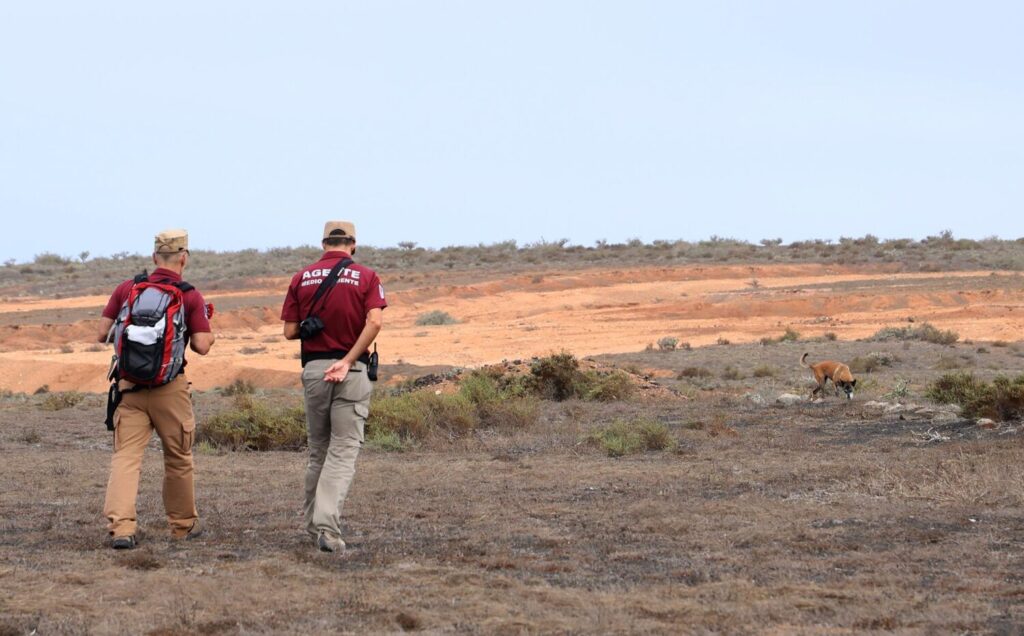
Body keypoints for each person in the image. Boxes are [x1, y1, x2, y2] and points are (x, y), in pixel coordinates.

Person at [96, 229, 215, 549]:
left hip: (129, 387)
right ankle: (182, 526)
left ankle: (121, 528)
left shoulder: (127, 288)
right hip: (170, 390)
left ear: (153, 258)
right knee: (178, 457)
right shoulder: (189, 294)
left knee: (126, 458)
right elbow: (202, 346)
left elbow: (101, 332)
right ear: (183, 258)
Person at [281, 221, 386, 554]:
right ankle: (327, 527)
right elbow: (375, 321)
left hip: (314, 370)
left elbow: (289, 331)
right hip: (350, 371)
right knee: (343, 450)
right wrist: (348, 359)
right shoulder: (367, 277)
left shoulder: (301, 278)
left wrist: (310, 330)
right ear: (352, 244)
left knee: (318, 450)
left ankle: (313, 525)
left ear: (324, 243)